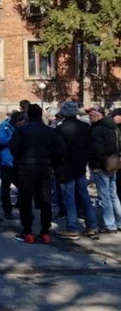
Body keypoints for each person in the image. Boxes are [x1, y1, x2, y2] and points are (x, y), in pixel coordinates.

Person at [10, 104, 67, 244]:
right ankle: (45, 232)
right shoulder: (50, 131)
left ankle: (28, 231)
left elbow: (14, 147)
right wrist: (50, 159)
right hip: (44, 167)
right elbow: (61, 149)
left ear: (28, 115)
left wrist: (19, 159)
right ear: (41, 114)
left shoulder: (21, 130)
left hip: (25, 167)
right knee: (45, 200)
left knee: (25, 200)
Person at [54, 102, 99, 240]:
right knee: (84, 196)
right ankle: (92, 226)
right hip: (80, 166)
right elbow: (91, 147)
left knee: (69, 199)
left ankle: (72, 227)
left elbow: (57, 150)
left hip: (66, 167)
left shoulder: (60, 129)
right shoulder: (86, 127)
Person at [87, 106, 121, 233]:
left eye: (90, 115)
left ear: (97, 116)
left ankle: (110, 224)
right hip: (114, 164)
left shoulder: (97, 130)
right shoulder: (114, 128)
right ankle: (119, 222)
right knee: (113, 195)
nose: (89, 118)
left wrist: (99, 162)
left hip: (101, 166)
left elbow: (97, 150)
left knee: (105, 196)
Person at [0, 111, 25, 219]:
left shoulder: (24, 125)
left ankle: (21, 205)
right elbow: (1, 140)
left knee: (22, 185)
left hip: (20, 160)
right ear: (13, 122)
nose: (21, 125)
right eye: (19, 123)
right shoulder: (4, 126)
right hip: (7, 160)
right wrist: (15, 138)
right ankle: (7, 209)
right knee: (5, 186)